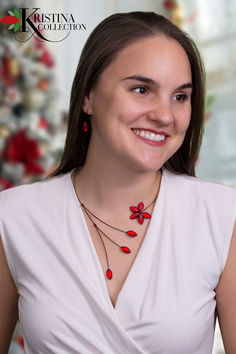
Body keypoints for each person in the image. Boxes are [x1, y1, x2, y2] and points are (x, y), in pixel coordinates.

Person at [0, 11, 236, 354]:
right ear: (88, 97)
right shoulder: (14, 217)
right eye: (142, 89)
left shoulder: (221, 216)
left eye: (180, 96)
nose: (165, 115)